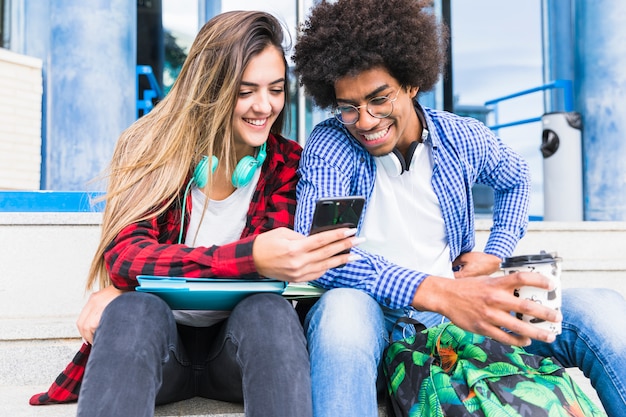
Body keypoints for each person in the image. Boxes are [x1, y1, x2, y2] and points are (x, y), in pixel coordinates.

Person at [292, 0, 626, 416]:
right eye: (348, 107)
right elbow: (323, 254)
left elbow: (516, 179)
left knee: (604, 308)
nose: (364, 120)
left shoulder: (461, 138)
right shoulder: (331, 144)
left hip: (462, 306)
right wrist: (439, 292)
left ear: (412, 83)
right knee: (341, 316)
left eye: (379, 99)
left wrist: (496, 251)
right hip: (375, 312)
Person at [29, 11, 362, 417]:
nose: (265, 106)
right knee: (133, 309)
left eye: (276, 90)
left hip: (238, 350)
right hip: (157, 343)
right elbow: (126, 257)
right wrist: (252, 255)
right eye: (246, 91)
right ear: (210, 88)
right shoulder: (151, 150)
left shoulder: (288, 163)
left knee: (269, 311)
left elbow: (278, 272)